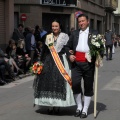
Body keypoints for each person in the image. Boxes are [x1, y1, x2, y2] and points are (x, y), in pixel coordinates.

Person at [65, 14, 103, 118]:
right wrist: (70, 55)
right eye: (79, 21)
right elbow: (67, 46)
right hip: (76, 63)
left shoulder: (94, 33)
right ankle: (79, 106)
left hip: (89, 63)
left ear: (87, 22)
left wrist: (98, 58)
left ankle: (85, 110)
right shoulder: (75, 33)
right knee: (76, 84)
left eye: (83, 21)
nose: (81, 23)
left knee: (88, 86)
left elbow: (100, 47)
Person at [33, 19, 75, 114]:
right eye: (53, 26)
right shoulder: (48, 37)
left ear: (60, 27)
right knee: (48, 83)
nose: (54, 28)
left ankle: (57, 105)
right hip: (48, 62)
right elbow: (44, 50)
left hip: (60, 61)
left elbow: (68, 48)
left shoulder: (64, 36)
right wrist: (40, 62)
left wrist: (71, 52)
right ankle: (50, 105)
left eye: (56, 26)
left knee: (59, 83)